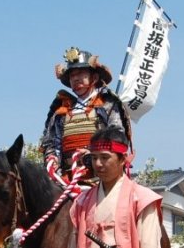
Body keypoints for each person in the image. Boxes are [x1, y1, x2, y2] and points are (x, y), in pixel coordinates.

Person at [40, 47, 129, 181]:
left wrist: (94, 155)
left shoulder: (108, 104)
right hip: (66, 178)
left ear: (94, 77)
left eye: (80, 73)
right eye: (71, 76)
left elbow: (117, 137)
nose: (75, 79)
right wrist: (52, 160)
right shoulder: (61, 110)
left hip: (101, 175)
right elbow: (50, 142)